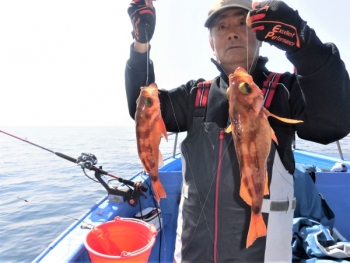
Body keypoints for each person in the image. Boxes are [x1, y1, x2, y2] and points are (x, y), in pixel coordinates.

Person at [125, 0, 350, 262]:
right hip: (192, 254)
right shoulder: (195, 95)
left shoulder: (284, 90)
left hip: (266, 254)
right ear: (212, 43)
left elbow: (332, 124)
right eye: (221, 26)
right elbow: (142, 109)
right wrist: (141, 46)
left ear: (260, 34)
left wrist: (305, 43)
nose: (231, 32)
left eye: (242, 23)